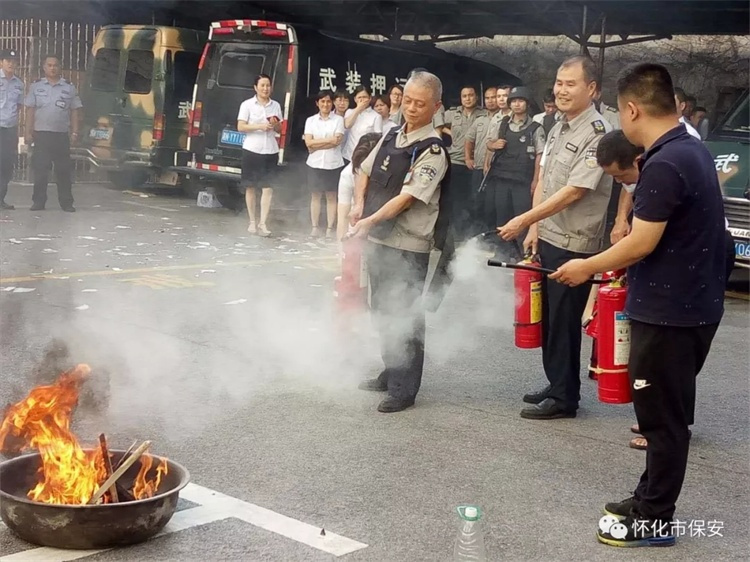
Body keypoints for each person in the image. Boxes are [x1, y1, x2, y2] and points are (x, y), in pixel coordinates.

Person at [551, 63, 726, 548]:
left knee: (663, 421)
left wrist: (587, 266)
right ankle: (649, 495)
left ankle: (655, 519)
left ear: (631, 109)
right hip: (688, 304)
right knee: (661, 412)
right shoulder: (688, 150)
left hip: (672, 313)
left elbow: (641, 242)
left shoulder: (665, 163)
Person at [497, 55, 613, 420]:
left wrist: (523, 219)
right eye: (559, 83)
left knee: (564, 321)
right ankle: (556, 381)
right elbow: (544, 181)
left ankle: (565, 397)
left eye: (570, 84)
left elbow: (576, 190)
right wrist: (534, 227)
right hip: (549, 234)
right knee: (548, 317)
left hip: (574, 242)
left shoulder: (598, 132)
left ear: (591, 89)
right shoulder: (557, 126)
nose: (561, 90)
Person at [348, 70, 449, 413]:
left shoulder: (433, 150)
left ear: (435, 107)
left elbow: (408, 197)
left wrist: (368, 221)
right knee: (381, 309)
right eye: (407, 100)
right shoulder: (392, 134)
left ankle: (405, 388)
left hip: (408, 245)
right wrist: (359, 204)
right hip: (379, 237)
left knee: (404, 313)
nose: (411, 108)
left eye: (420, 104)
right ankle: (391, 370)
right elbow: (364, 169)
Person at [484, 86, 546, 259]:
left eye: (521, 101)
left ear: (527, 103)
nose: (517, 105)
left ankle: (522, 253)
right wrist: (494, 145)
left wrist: (535, 180)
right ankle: (502, 252)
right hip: (501, 178)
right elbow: (489, 143)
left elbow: (539, 157)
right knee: (501, 216)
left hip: (522, 181)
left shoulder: (536, 128)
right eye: (514, 101)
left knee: (521, 216)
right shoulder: (502, 123)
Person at [24, 54, 81, 212]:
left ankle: (67, 203)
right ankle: (38, 202)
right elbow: (30, 110)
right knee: (41, 171)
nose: (52, 68)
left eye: (55, 65)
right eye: (49, 65)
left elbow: (74, 111)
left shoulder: (68, 87)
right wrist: (27, 132)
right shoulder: (36, 86)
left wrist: (75, 132)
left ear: (60, 67)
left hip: (61, 135)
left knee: (63, 171)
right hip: (41, 135)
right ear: (44, 68)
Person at [237, 73, 283, 236]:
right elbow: (241, 126)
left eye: (268, 85)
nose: (265, 88)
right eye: (262, 85)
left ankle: (263, 223)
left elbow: (279, 129)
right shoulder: (247, 105)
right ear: (256, 87)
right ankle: (252, 221)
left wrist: (275, 125)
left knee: (268, 187)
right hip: (252, 149)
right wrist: (259, 126)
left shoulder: (275, 105)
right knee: (250, 186)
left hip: (270, 150)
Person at [443, 86, 486, 242]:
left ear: (476, 97)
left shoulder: (484, 114)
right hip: (456, 161)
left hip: (476, 163)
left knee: (474, 200)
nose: (467, 98)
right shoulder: (453, 113)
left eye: (470, 95)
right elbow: (436, 120)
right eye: (464, 96)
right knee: (456, 200)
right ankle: (457, 235)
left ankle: (472, 234)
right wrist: (449, 132)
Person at [304, 90, 345, 238]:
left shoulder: (338, 120)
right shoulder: (311, 121)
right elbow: (308, 142)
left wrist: (315, 145)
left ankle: (329, 228)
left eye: (328, 101)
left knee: (331, 196)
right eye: (322, 101)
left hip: (333, 163)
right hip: (314, 163)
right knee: (315, 196)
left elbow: (337, 141)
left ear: (332, 103)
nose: (325, 104)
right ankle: (314, 227)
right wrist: (328, 141)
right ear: (317, 103)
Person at [336, 133, 381, 242]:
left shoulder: (390, 169)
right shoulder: (348, 174)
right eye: (361, 170)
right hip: (357, 218)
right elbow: (343, 218)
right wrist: (341, 252)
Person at [0, 49, 24, 210]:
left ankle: (1, 198)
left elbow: (19, 106)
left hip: (9, 129)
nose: (10, 63)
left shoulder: (19, 84)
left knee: (6, 165)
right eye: (7, 60)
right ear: (1, 62)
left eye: (13, 61)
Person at [464, 86, 498, 198]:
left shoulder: (505, 119)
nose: (490, 101)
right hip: (478, 167)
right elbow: (469, 139)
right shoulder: (480, 120)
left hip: (496, 168)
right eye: (487, 98)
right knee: (477, 200)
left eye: (493, 97)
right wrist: (468, 158)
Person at [342, 86, 382, 164]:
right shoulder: (349, 112)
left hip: (364, 158)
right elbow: (347, 125)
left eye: (364, 97)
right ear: (355, 99)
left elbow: (377, 139)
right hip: (348, 155)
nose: (362, 100)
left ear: (370, 98)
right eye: (359, 97)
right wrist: (358, 109)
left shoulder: (376, 116)